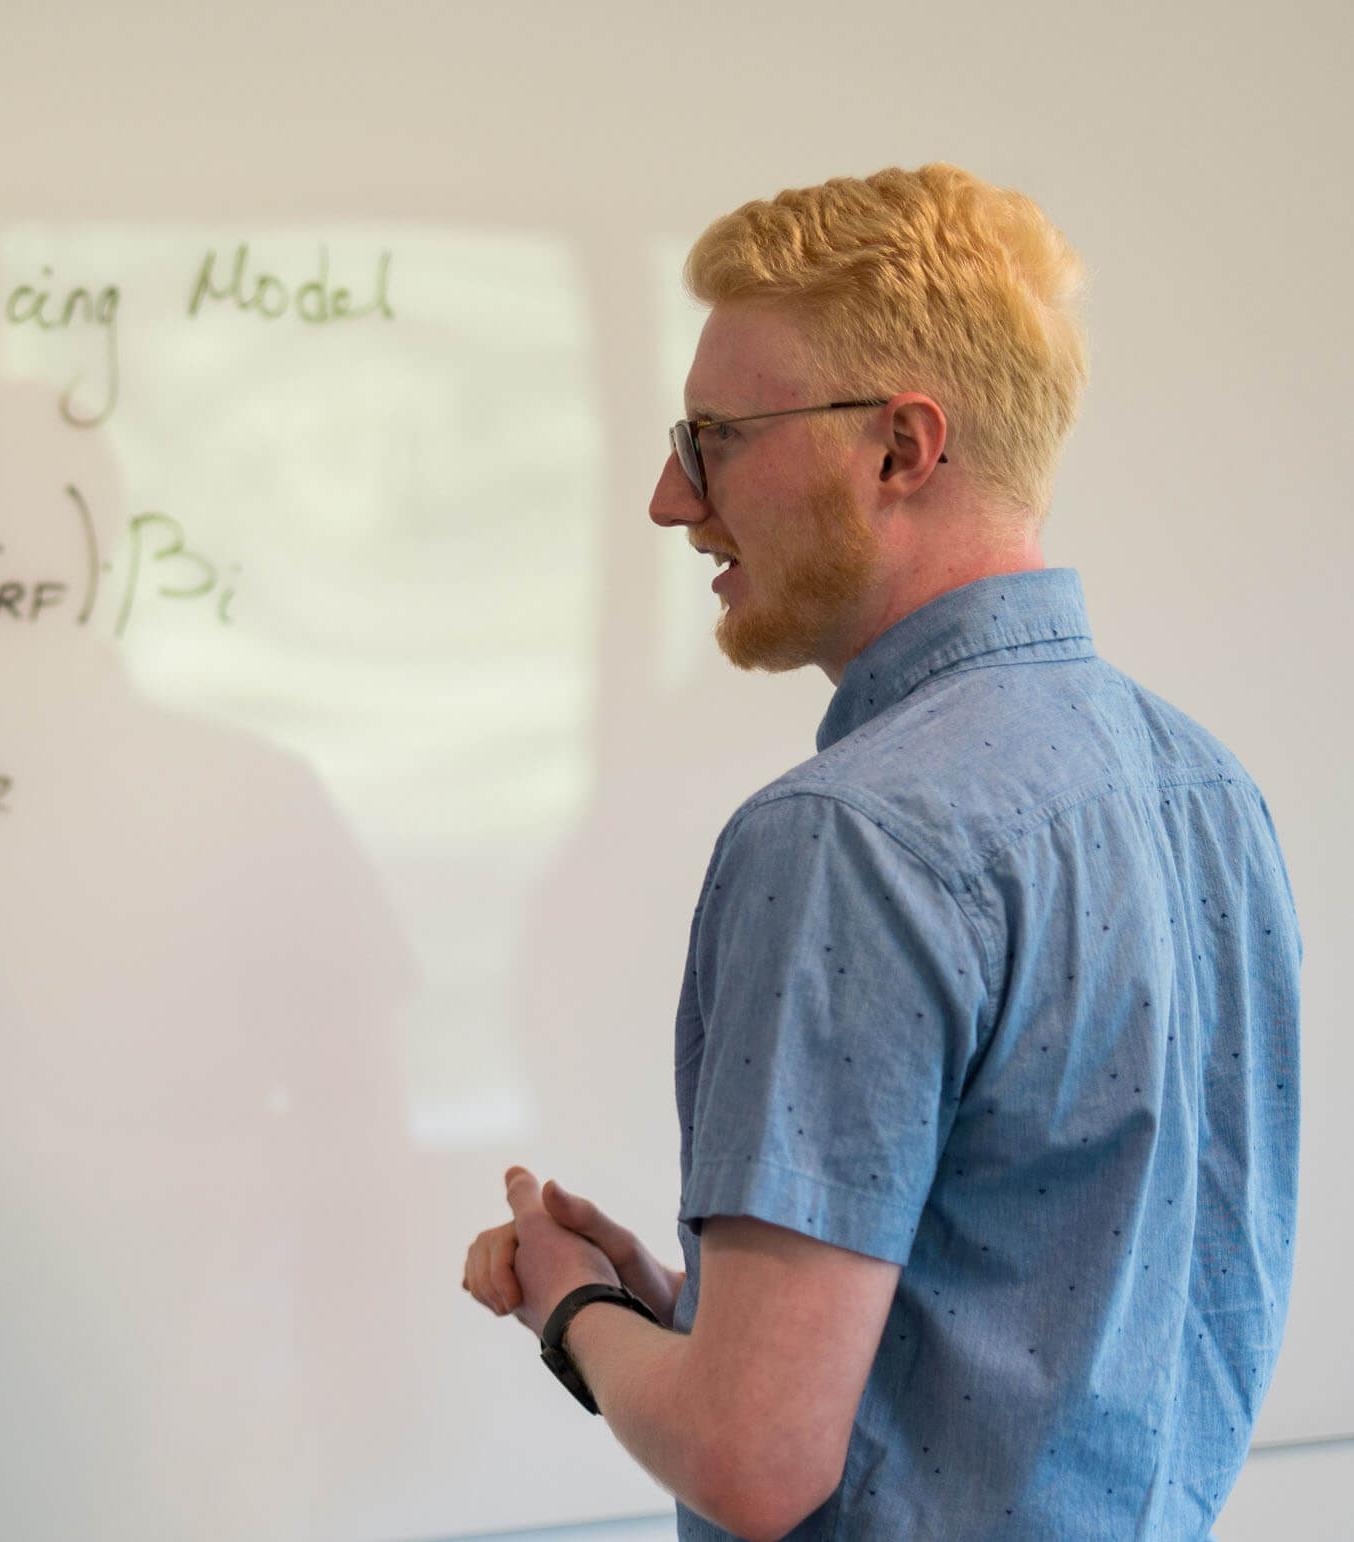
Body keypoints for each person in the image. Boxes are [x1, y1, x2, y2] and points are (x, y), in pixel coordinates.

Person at [462, 165, 1300, 1540]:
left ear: (900, 449)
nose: (675, 499)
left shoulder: (845, 835)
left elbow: (752, 1463)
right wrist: (675, 1320)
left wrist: (570, 1307)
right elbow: (1030, 1358)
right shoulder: (1206, 787)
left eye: (713, 436)